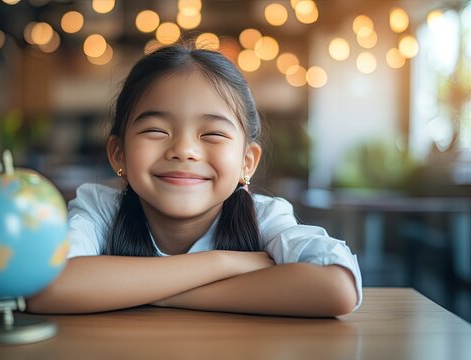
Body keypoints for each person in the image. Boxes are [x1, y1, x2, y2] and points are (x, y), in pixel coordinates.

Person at [27, 45, 362, 317]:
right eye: (156, 130)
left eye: (213, 134)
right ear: (118, 154)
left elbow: (336, 286)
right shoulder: (101, 208)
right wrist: (223, 262)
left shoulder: (265, 218)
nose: (184, 150)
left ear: (247, 162)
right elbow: (47, 287)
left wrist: (156, 294)